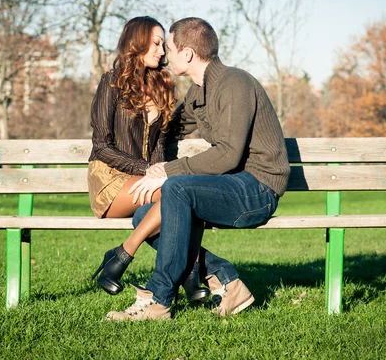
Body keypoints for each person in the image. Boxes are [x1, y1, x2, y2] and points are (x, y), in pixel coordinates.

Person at [105, 17, 291, 321]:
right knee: (146, 216)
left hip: (258, 189)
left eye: (169, 47)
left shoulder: (235, 84)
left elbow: (229, 155)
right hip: (233, 186)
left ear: (188, 54)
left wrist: (169, 170)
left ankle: (159, 299)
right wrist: (147, 121)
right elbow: (172, 129)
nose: (164, 55)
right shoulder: (198, 92)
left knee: (176, 187)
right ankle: (228, 280)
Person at [87, 16, 209, 303]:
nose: (162, 51)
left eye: (162, 45)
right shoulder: (112, 82)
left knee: (188, 193)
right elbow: (101, 146)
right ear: (137, 42)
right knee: (179, 194)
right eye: (156, 44)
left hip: (144, 181)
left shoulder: (161, 85)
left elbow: (160, 147)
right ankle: (185, 273)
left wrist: (157, 172)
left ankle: (123, 257)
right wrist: (148, 171)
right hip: (109, 180)